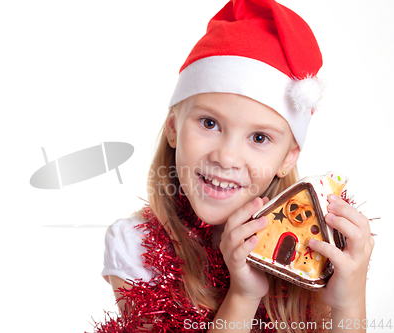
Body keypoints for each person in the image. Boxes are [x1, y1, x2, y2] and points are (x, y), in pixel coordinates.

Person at [93, 0, 374, 332]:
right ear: (173, 127)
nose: (226, 157)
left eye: (258, 138)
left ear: (288, 156)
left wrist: (349, 302)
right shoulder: (135, 246)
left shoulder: (316, 247)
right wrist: (243, 295)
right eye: (209, 123)